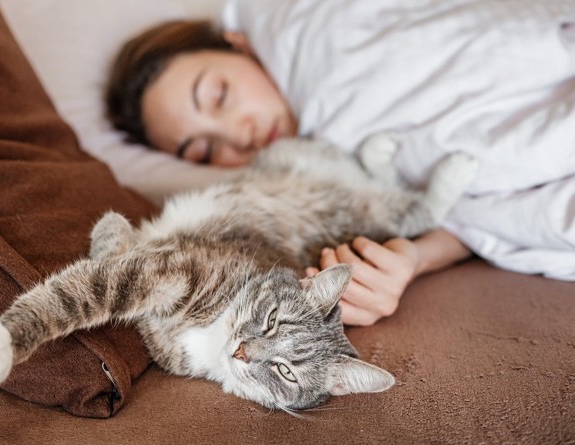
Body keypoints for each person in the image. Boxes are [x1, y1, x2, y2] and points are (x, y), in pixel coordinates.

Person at [105, 9, 575, 325]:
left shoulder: (317, 28)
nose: (238, 132)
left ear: (238, 45)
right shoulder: (303, 183)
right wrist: (408, 263)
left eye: (219, 95)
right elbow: (459, 213)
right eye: (205, 151)